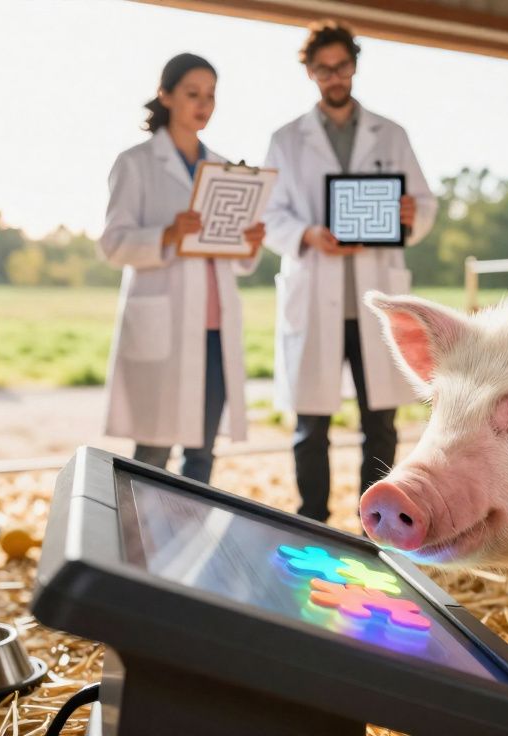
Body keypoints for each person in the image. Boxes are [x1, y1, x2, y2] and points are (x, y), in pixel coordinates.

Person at [263, 21, 437, 523]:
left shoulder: (392, 133)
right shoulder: (286, 140)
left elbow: (424, 202)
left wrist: (411, 215)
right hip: (314, 290)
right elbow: (269, 214)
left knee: (380, 422)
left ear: (354, 66)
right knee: (310, 423)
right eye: (323, 69)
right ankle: (311, 520)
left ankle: (375, 526)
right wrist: (307, 234)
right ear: (310, 72)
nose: (333, 77)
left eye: (341, 67)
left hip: (374, 296)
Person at [100, 52, 264, 484]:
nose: (203, 104)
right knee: (153, 450)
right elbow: (113, 245)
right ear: (165, 95)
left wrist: (248, 244)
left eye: (210, 95)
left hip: (215, 329)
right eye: (193, 94)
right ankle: (134, 547)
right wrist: (167, 235)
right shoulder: (135, 163)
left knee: (202, 455)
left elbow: (236, 261)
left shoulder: (225, 168)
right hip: (165, 325)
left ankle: (186, 545)